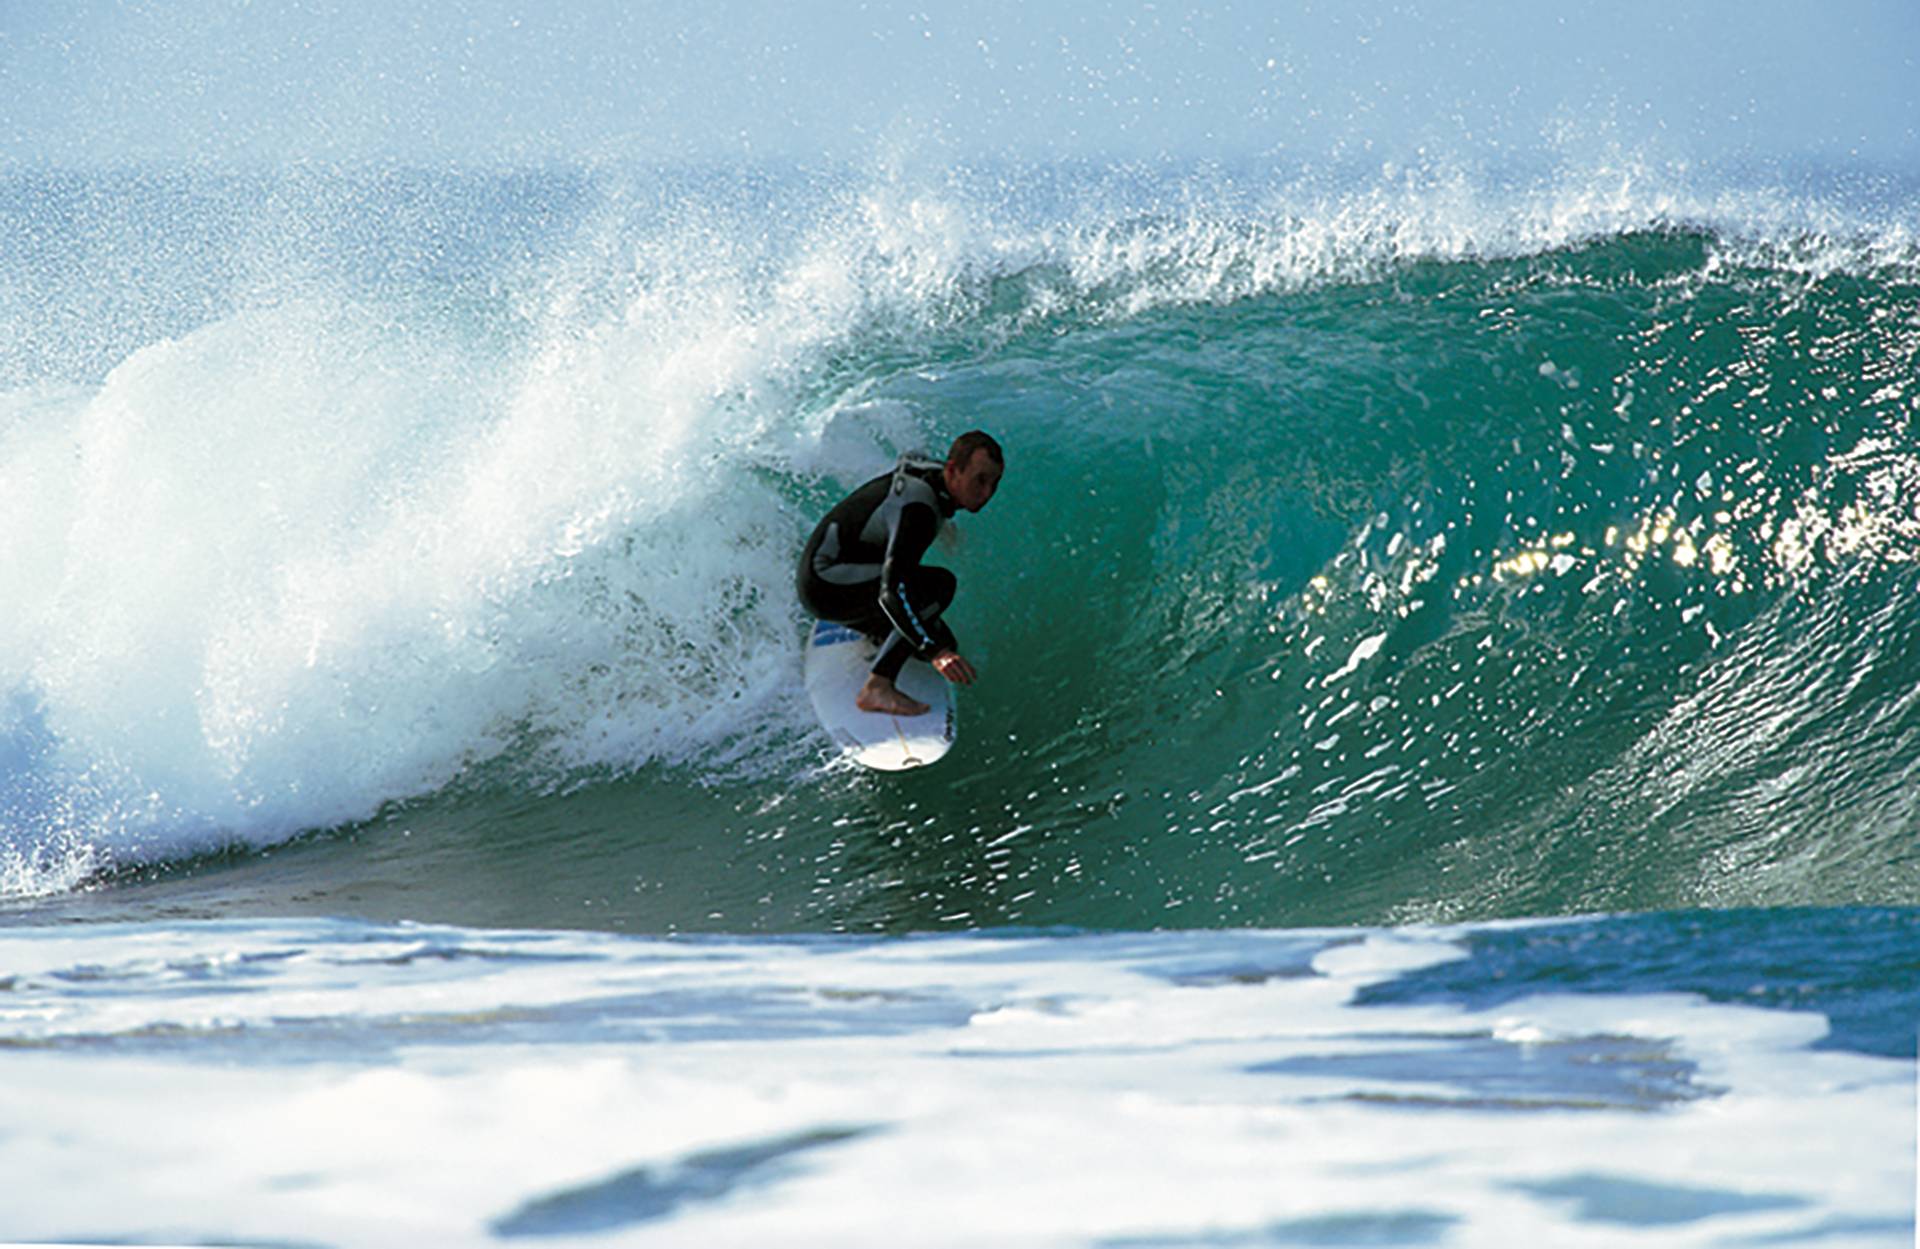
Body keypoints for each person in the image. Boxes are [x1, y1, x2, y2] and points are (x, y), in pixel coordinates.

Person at [797, 430, 1004, 716]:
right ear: (953, 470)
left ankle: (877, 631)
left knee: (942, 640)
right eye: (979, 480)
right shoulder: (919, 510)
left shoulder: (935, 476)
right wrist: (936, 653)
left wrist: (935, 647)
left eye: (994, 483)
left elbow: (908, 460)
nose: (987, 493)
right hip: (826, 584)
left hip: (847, 568)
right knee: (938, 587)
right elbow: (893, 590)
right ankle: (878, 686)